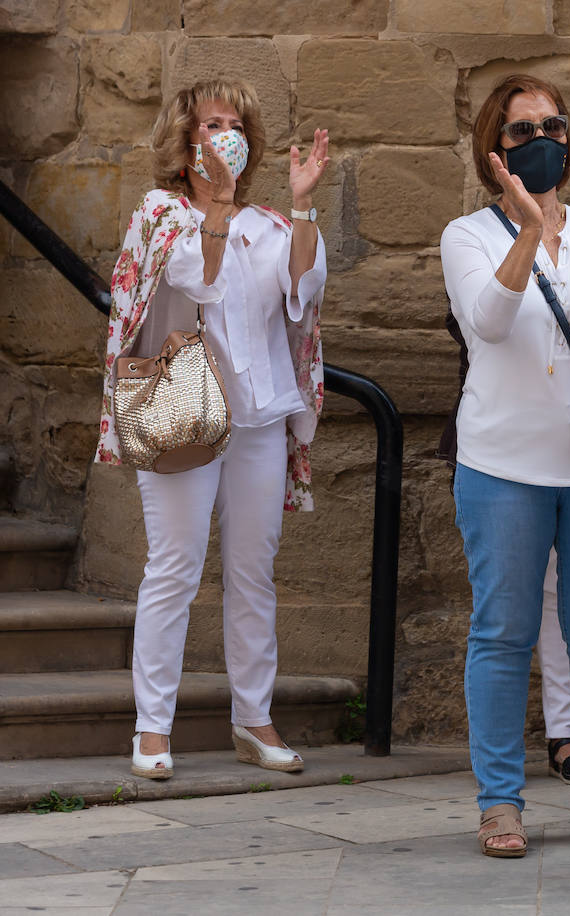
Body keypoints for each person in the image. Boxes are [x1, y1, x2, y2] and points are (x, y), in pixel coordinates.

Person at [440, 74, 570, 858]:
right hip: (502, 465)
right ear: (493, 150)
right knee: (502, 632)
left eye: (552, 126)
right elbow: (488, 323)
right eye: (521, 130)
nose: (541, 142)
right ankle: (500, 802)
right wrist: (529, 230)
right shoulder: (467, 235)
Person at [96, 79, 329, 780]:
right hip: (181, 417)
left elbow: (306, 290)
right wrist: (219, 206)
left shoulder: (268, 224)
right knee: (174, 568)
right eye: (211, 123)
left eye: (234, 124)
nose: (224, 133)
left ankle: (253, 721)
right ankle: (151, 729)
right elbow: (197, 277)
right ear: (185, 141)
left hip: (258, 420)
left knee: (254, 575)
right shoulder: (160, 214)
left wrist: (304, 205)